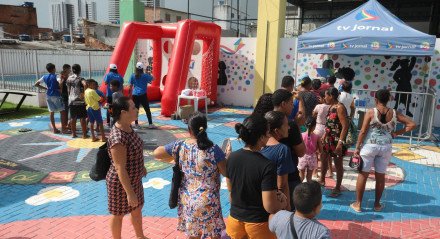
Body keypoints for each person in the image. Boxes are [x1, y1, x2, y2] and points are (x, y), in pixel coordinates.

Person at [154, 113, 228, 239]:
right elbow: (226, 172)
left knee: (193, 235)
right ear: (205, 128)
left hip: (188, 199)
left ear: (189, 130)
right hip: (209, 200)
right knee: (214, 233)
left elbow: (157, 153)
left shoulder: (180, 146)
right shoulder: (214, 149)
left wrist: (175, 159)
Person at [350, 89, 415, 213]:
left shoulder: (371, 112)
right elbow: (412, 124)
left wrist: (357, 148)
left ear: (376, 99)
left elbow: (363, 131)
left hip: (369, 146)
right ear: (389, 99)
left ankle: (358, 204)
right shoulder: (395, 113)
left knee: (363, 174)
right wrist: (396, 133)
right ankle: (377, 205)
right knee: (380, 177)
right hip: (386, 147)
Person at [226, 114, 287, 239]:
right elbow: (270, 206)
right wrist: (284, 202)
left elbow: (231, 193)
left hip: (234, 222)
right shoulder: (267, 166)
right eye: (267, 132)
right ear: (260, 137)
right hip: (258, 226)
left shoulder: (231, 157)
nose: (270, 135)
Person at [106, 96, 147, 239]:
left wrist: (142, 166)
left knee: (137, 209)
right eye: (133, 108)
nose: (137, 110)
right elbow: (119, 168)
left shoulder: (128, 127)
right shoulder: (118, 137)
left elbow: (134, 151)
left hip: (135, 179)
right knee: (118, 214)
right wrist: (129, 193)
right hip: (120, 184)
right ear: (123, 113)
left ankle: (140, 236)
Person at [273, 89, 306, 211]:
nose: (293, 107)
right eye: (291, 103)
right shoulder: (290, 125)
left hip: (266, 174)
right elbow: (301, 152)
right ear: (283, 104)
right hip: (289, 176)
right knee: (289, 210)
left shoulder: (264, 119)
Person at [260, 111, 294, 211]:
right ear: (276, 130)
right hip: (273, 202)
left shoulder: (256, 145)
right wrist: (287, 207)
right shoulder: (282, 150)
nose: (289, 127)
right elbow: (281, 184)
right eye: (286, 125)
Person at [319, 87, 349, 198]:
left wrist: (340, 143)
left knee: (338, 164)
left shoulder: (340, 107)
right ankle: (322, 180)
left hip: (337, 141)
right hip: (328, 139)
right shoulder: (331, 107)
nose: (325, 98)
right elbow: (329, 124)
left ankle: (337, 187)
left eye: (326, 95)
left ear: (331, 96)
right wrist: (324, 135)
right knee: (323, 159)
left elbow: (345, 126)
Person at [34, 63, 66, 134]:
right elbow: (60, 82)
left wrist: (45, 88)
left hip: (48, 95)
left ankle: (54, 129)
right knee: (62, 111)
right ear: (54, 69)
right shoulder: (56, 76)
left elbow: (36, 84)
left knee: (51, 112)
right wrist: (60, 89)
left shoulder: (44, 76)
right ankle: (63, 128)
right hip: (56, 96)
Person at [129, 62, 156, 129]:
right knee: (147, 109)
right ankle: (150, 124)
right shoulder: (145, 75)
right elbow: (153, 78)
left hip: (135, 94)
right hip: (143, 94)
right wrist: (149, 73)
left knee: (136, 109)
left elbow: (130, 86)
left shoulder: (132, 75)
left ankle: (136, 124)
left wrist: (130, 94)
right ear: (142, 68)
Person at [66, 64, 88, 138]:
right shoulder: (80, 78)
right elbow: (85, 84)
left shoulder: (69, 78)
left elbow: (68, 89)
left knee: (73, 118)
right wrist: (84, 94)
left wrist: (70, 95)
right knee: (82, 118)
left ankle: (73, 134)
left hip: (72, 100)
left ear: (72, 70)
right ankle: (84, 134)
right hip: (80, 100)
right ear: (80, 70)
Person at [298, 118, 322, 183]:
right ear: (314, 126)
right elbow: (321, 150)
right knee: (309, 178)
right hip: (312, 157)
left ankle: (299, 189)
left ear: (305, 125)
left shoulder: (301, 135)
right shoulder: (317, 136)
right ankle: (308, 191)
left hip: (302, 157)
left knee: (301, 176)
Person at [58, 64, 71, 133]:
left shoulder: (67, 77)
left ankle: (66, 126)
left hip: (67, 97)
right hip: (64, 97)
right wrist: (62, 80)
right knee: (64, 113)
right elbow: (60, 88)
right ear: (65, 69)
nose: (70, 70)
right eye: (69, 69)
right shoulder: (61, 78)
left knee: (67, 113)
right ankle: (64, 128)